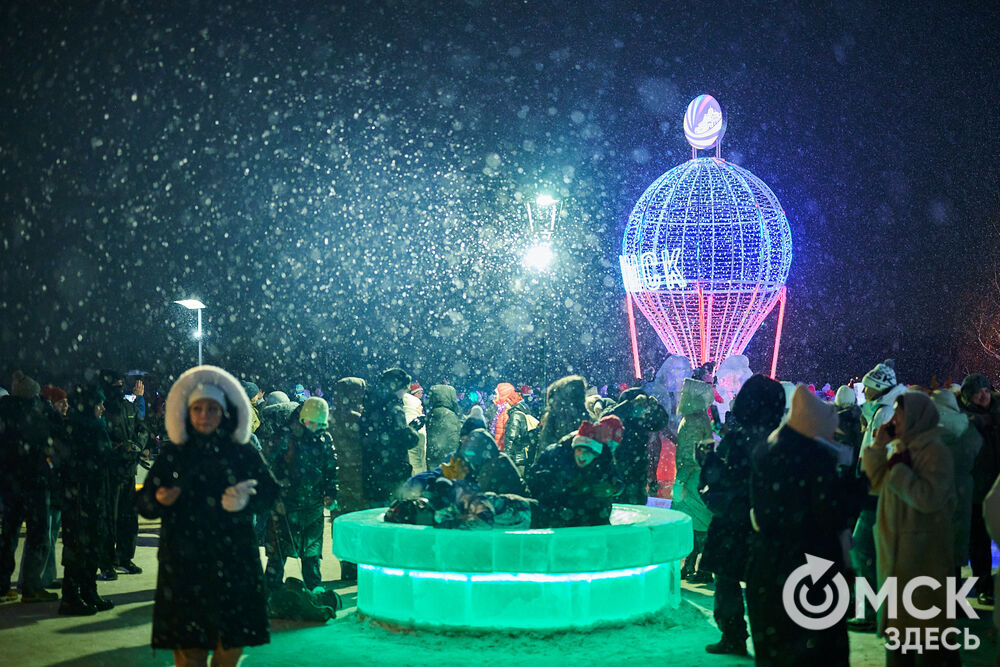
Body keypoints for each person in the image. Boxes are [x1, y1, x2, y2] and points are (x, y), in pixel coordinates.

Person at [136, 365, 279, 666]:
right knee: (189, 650)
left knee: (231, 643)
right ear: (187, 412)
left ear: (223, 411)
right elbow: (144, 503)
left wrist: (246, 501)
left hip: (233, 561)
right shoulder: (175, 453)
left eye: (212, 408)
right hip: (185, 564)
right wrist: (160, 500)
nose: (204, 415)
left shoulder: (241, 452)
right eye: (197, 408)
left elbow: (271, 492)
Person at [747, 385, 865, 666]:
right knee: (817, 650)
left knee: (778, 649)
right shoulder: (812, 457)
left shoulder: (769, 448)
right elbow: (830, 512)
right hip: (811, 568)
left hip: (770, 569)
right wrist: (863, 486)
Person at [862, 391, 960, 666]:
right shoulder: (902, 449)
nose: (894, 421)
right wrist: (879, 448)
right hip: (899, 558)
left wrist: (900, 469)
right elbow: (877, 483)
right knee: (901, 639)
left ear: (916, 418)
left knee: (930, 642)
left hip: (923, 559)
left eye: (900, 415)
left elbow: (928, 498)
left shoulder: (935, 451)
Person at [698, 374, 785, 656]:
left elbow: (719, 481)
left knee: (727, 579)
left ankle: (733, 635)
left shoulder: (738, 440)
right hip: (766, 523)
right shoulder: (780, 439)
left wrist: (708, 459)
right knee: (765, 585)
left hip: (733, 522)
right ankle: (769, 637)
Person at [849, 359, 907, 630]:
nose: (865, 392)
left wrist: (867, 482)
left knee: (862, 550)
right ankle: (877, 610)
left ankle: (869, 611)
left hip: (875, 492)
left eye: (868, 388)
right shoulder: (881, 410)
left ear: (877, 388)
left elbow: (880, 454)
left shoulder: (884, 413)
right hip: (876, 491)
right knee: (868, 551)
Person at [265, 397, 338, 593]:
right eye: (310, 422)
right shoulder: (285, 436)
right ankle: (271, 587)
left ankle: (314, 586)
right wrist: (273, 489)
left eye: (319, 423)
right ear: (302, 418)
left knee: (312, 550)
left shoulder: (325, 439)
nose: (314, 427)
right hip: (285, 502)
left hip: (312, 504)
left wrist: (331, 492)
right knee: (279, 549)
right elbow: (266, 463)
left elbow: (331, 468)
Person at [0, 371, 56, 603]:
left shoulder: (6, 412)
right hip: (34, 482)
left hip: (10, 484)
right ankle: (32, 587)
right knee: (38, 533)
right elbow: (52, 438)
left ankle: (2, 585)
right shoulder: (36, 413)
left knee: (9, 535)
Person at [59, 385, 114, 615]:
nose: (102, 408)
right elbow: (86, 463)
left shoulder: (94, 427)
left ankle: (88, 590)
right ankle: (71, 597)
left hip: (93, 497)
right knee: (78, 547)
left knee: (93, 545)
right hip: (81, 498)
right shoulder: (80, 429)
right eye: (99, 404)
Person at [527, 415, 624, 528]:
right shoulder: (558, 454)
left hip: (587, 514)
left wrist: (613, 488)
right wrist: (563, 489)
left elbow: (616, 478)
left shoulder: (603, 456)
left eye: (614, 445)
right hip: (557, 513)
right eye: (579, 450)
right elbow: (534, 482)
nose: (582, 455)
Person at [98, 370, 148, 579]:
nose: (119, 388)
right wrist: (117, 449)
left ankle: (124, 557)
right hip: (110, 473)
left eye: (121, 384)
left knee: (129, 518)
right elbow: (100, 439)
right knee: (109, 519)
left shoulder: (128, 406)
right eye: (115, 384)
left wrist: (136, 445)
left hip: (129, 470)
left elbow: (142, 428)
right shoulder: (103, 409)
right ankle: (107, 562)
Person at [932, 388, 982, 580]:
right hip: (964, 485)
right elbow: (976, 449)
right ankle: (955, 590)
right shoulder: (965, 422)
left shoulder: (932, 424)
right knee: (957, 539)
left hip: (939, 485)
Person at [961, 373, 1000, 606]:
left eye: (985, 390)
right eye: (977, 392)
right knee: (979, 541)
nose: (983, 395)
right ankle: (984, 584)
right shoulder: (963, 418)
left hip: (997, 484)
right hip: (976, 488)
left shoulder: (997, 414)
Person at [674, 378, 715, 583]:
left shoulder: (691, 421)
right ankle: (697, 565)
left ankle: (699, 566)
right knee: (701, 522)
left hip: (691, 477)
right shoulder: (702, 418)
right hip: (700, 474)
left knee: (694, 524)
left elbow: (687, 455)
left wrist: (680, 481)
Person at [360, 368, 420, 506]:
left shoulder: (370, 405)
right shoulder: (393, 408)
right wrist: (412, 430)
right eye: (404, 389)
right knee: (393, 516)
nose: (404, 393)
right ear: (397, 387)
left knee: (375, 517)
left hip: (372, 473)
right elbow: (404, 438)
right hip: (392, 473)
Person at [327, 377, 366, 581]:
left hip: (338, 478)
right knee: (359, 523)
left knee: (341, 523)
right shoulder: (359, 417)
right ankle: (357, 569)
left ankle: (347, 566)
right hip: (357, 479)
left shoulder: (330, 416)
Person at [603, 388, 669, 506]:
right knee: (620, 502)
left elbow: (660, 422)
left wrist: (656, 407)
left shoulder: (641, 421)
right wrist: (629, 405)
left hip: (638, 470)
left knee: (637, 501)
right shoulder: (619, 418)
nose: (643, 409)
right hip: (619, 468)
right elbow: (604, 418)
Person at [531, 375, 590, 466]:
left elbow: (544, 449)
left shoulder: (555, 417)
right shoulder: (585, 417)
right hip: (576, 471)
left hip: (556, 470)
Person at [424, 384, 461, 470]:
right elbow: (454, 439)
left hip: (433, 457)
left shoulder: (431, 415)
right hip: (447, 460)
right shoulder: (451, 416)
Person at [402, 382, 427, 475]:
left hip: (412, 432)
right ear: (414, 393)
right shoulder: (416, 404)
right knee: (420, 459)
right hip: (419, 432)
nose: (421, 395)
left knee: (414, 461)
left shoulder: (406, 406)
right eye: (419, 393)